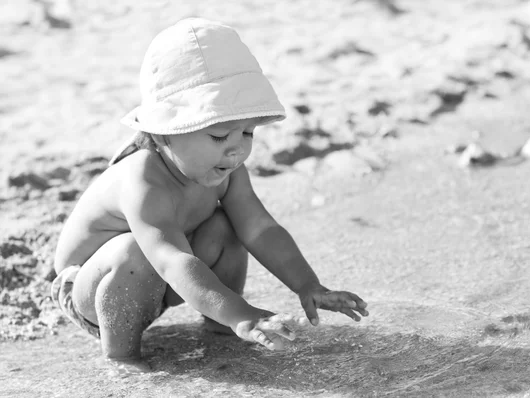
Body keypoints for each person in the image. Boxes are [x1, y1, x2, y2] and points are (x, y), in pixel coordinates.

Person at [51, 17, 368, 372]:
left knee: (229, 224)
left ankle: (223, 330)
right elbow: (172, 260)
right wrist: (244, 313)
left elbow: (261, 229)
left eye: (247, 134)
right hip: (98, 292)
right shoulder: (143, 180)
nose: (235, 151)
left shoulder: (226, 171)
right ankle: (123, 359)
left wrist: (308, 284)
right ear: (163, 134)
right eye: (219, 137)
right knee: (133, 250)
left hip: (166, 280)